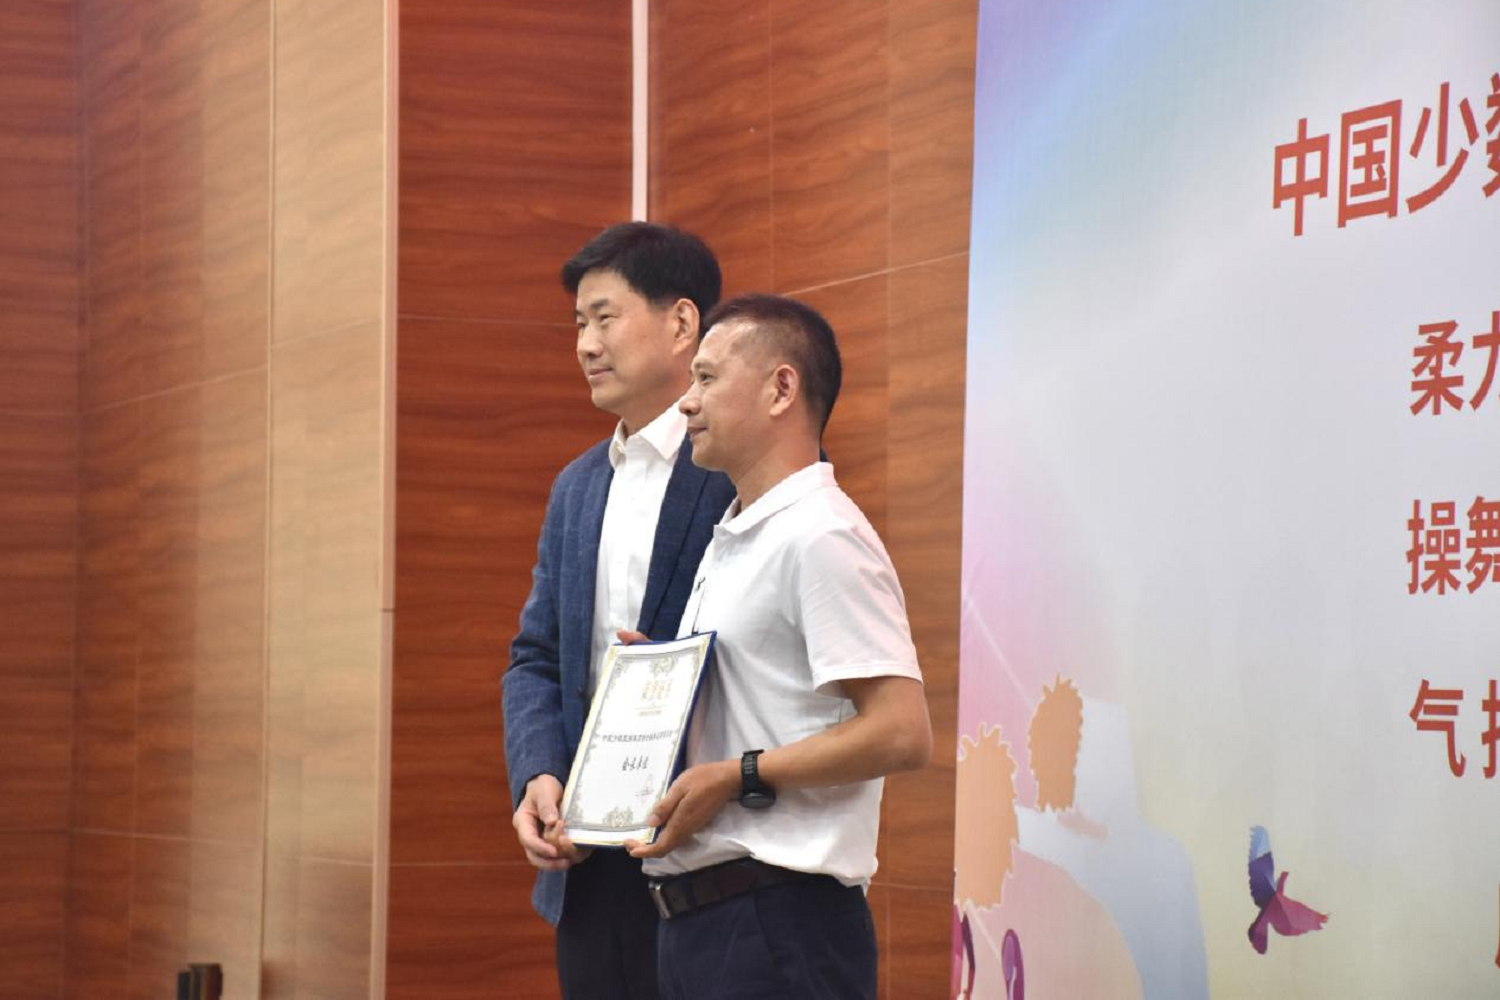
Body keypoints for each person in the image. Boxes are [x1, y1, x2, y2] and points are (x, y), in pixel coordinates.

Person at [625, 294, 933, 1000]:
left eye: (706, 378)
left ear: (781, 388)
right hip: (701, 925)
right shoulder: (740, 531)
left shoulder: (821, 533)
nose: (686, 403)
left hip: (779, 922)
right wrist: (661, 680)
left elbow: (901, 731)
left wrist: (739, 774)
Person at [503, 222, 736, 1000]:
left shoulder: (742, 469)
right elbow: (535, 657)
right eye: (579, 323)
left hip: (710, 861)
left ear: (681, 322)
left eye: (605, 318)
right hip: (589, 865)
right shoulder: (576, 487)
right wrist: (537, 773)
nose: (586, 344)